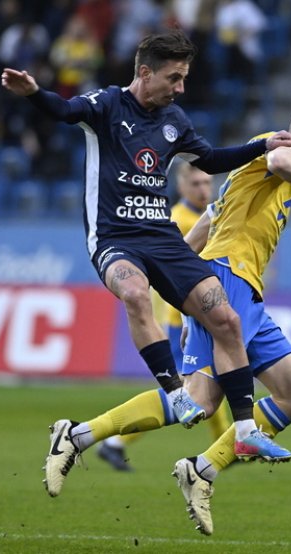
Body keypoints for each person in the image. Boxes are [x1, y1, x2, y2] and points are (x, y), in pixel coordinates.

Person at [31, 100, 291, 534]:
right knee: (200, 401)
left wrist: (179, 273)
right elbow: (278, 156)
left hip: (243, 290)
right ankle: (78, 437)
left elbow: (209, 217)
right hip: (226, 280)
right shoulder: (275, 150)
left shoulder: (269, 178)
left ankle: (201, 468)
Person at [1, 29, 291, 497]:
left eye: (184, 78)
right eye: (174, 77)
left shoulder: (174, 120)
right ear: (145, 72)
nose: (180, 87)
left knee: (224, 316)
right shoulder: (105, 106)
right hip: (115, 238)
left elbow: (213, 158)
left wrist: (260, 147)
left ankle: (244, 430)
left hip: (162, 237)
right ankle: (175, 392)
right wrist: (35, 92)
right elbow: (62, 111)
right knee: (135, 293)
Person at [97, 161, 231, 471]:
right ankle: (115, 440)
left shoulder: (207, 217)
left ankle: (227, 443)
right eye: (196, 183)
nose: (203, 189)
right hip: (178, 318)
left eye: (207, 183)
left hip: (200, 315)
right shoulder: (176, 220)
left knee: (207, 384)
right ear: (182, 187)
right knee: (189, 391)